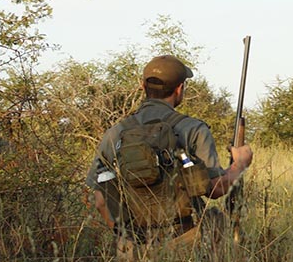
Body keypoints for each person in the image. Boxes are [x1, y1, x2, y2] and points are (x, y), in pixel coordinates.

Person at [85, 55, 252, 260]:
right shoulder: (193, 129)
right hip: (185, 239)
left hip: (131, 247)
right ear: (180, 89)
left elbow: (99, 200)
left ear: (142, 86)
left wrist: (125, 237)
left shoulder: (115, 133)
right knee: (217, 221)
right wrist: (240, 164)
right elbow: (215, 189)